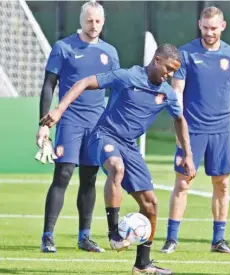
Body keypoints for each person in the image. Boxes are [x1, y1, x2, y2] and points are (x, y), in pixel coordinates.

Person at [40, 44, 196, 274]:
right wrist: (59, 110)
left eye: (174, 71)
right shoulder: (128, 76)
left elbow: (179, 120)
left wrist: (188, 155)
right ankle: (114, 233)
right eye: (169, 68)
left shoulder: (167, 94)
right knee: (116, 166)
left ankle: (142, 264)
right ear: (157, 59)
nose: (170, 74)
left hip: (129, 146)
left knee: (151, 204)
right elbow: (84, 82)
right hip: (104, 135)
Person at [160, 6, 230, 255]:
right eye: (205, 27)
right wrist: (179, 130)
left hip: (222, 131)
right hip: (192, 131)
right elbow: (176, 93)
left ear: (223, 26)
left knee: (222, 184)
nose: (209, 32)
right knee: (183, 183)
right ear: (199, 24)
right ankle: (172, 239)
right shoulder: (185, 54)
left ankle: (218, 240)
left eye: (214, 28)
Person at [36, 0, 119, 253]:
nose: (93, 25)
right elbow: (49, 85)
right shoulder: (63, 47)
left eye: (97, 21)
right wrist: (44, 124)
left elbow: (116, 89)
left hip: (97, 124)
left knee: (89, 178)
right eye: (89, 20)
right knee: (63, 175)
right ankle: (48, 236)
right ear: (81, 21)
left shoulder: (110, 52)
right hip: (70, 121)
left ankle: (85, 237)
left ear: (103, 22)